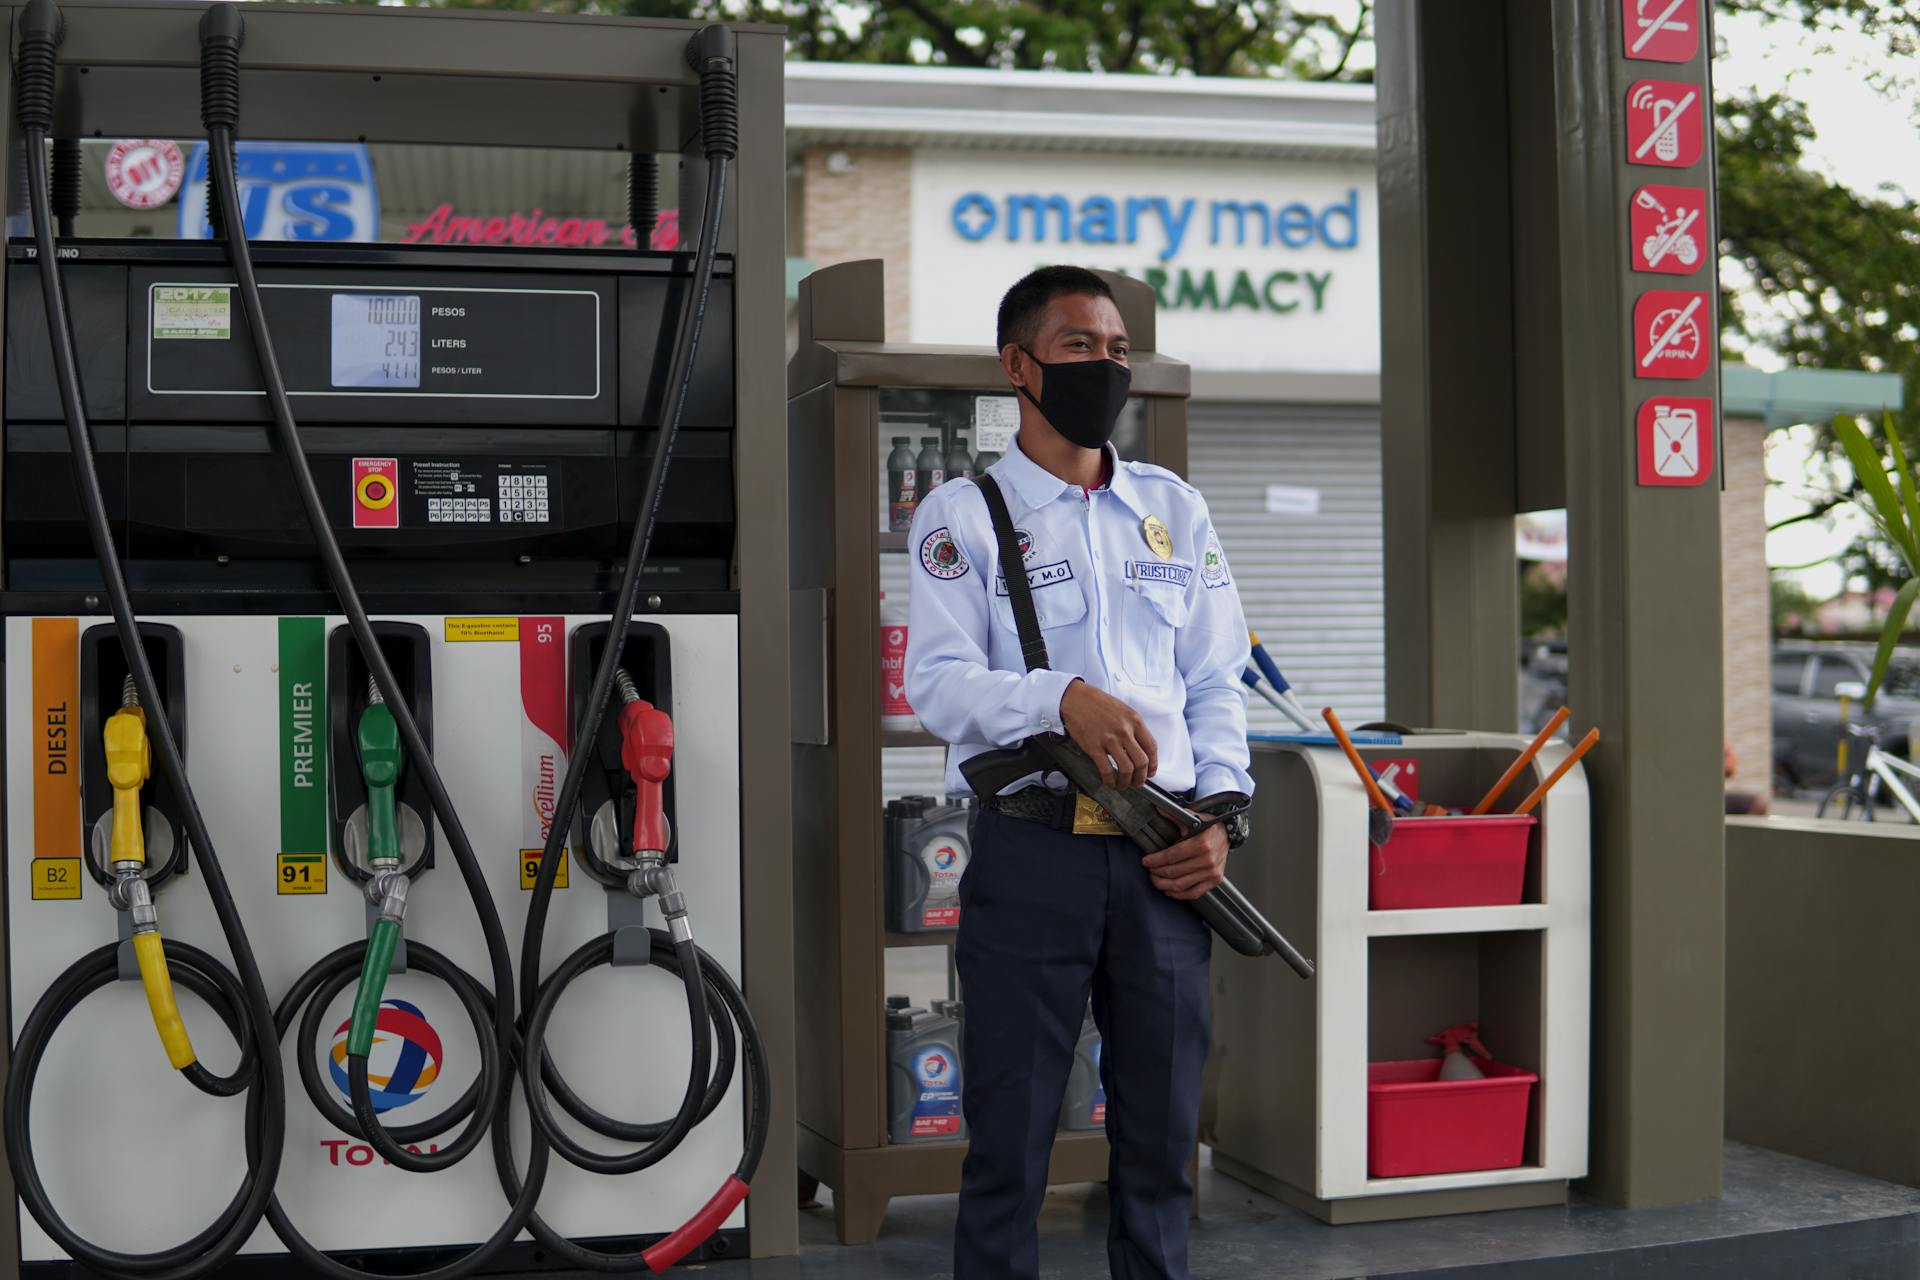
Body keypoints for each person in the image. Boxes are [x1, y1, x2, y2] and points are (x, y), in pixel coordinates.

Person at [904, 265, 1253, 1280]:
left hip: (1168, 862)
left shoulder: (1175, 510)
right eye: (1077, 348)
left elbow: (1216, 679)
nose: (1104, 366)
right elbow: (938, 684)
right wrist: (1058, 696)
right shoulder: (962, 515)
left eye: (1116, 350)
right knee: (1007, 1147)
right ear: (1019, 366)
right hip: (1035, 857)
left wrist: (1223, 809)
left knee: (1159, 1149)